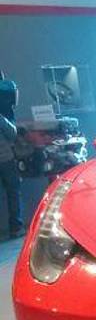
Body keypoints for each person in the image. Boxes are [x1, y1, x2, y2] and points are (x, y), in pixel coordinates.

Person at [0, 71, 24, 239]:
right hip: (5, 158)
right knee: (13, 191)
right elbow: (12, 133)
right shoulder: (2, 115)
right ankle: (16, 227)